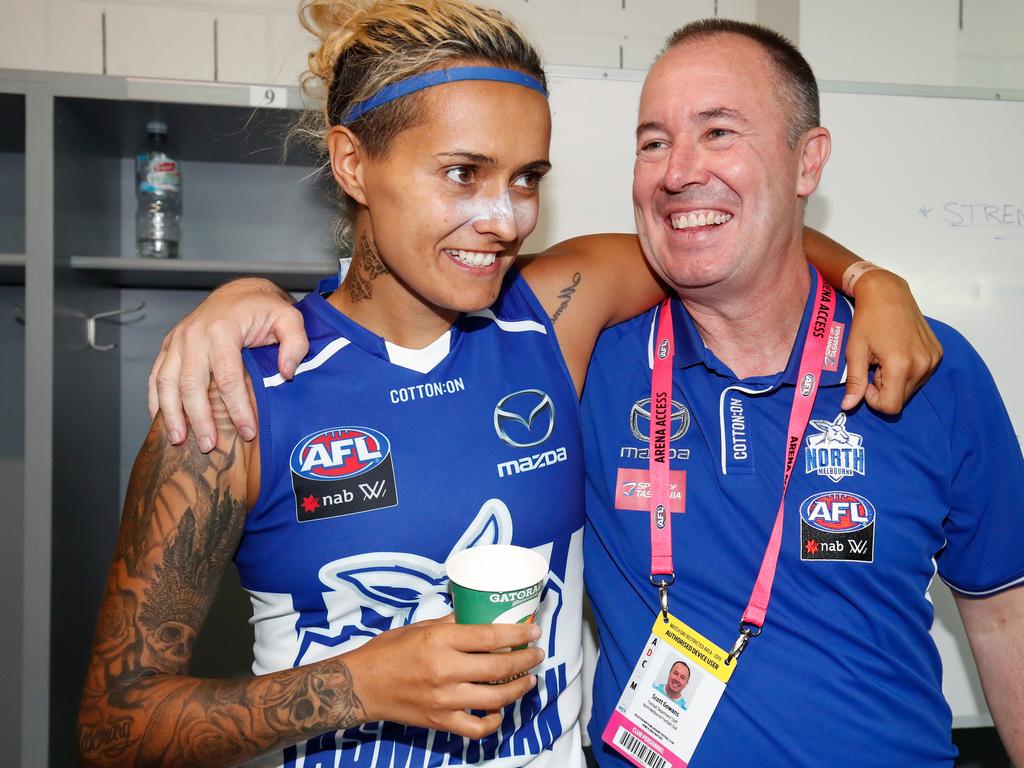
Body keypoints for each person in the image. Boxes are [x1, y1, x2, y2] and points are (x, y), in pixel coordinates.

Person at [129, 8, 945, 768]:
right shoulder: (235, 395)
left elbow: (730, 228)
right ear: (353, 163)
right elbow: (117, 727)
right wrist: (361, 686)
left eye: (527, 179)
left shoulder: (554, 315)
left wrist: (874, 281)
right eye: (463, 173)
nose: (506, 217)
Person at [578, 19, 1024, 766]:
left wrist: (869, 282)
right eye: (653, 142)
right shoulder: (586, 363)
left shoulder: (928, 368)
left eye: (719, 132)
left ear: (806, 161)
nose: (678, 171)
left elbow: (1006, 618)